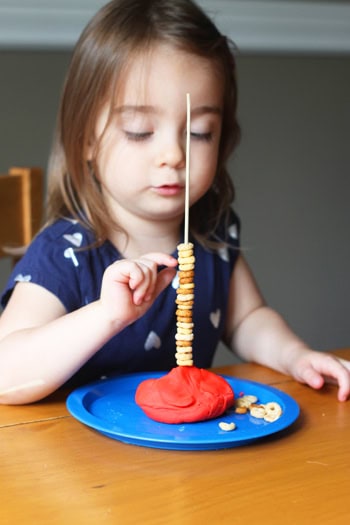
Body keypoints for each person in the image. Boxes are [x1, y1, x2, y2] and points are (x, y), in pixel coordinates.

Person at [0, 0, 349, 405]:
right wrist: (107, 315)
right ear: (87, 141)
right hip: (79, 461)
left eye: (199, 132)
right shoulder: (66, 253)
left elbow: (248, 320)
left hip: (185, 459)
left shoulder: (214, 235)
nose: (173, 155)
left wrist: (296, 356)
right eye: (139, 130)